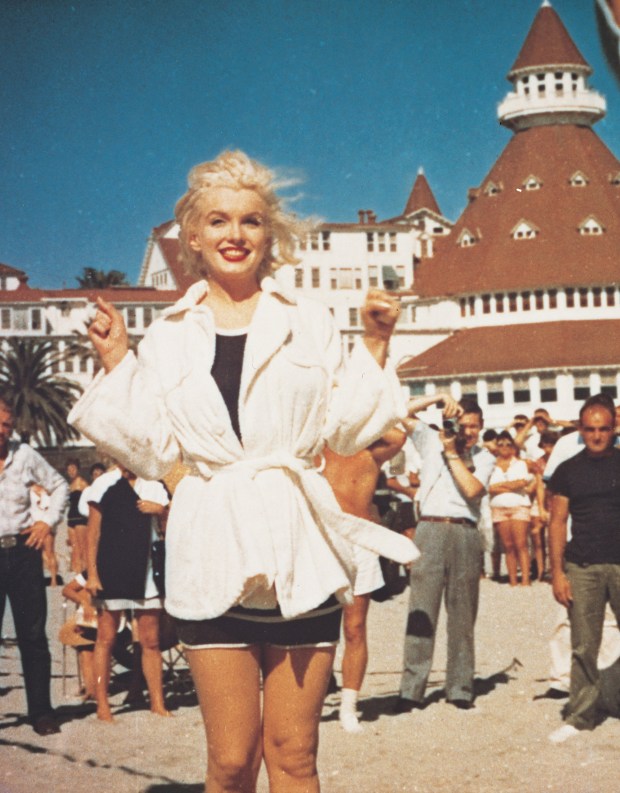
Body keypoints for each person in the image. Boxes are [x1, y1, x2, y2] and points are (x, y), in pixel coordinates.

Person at [68, 150, 415, 792]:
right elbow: (152, 449)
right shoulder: (169, 334)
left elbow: (345, 429)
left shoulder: (307, 320)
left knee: (294, 755)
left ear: (268, 234)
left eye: (251, 221)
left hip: (299, 552)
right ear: (193, 237)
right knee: (230, 760)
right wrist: (118, 362)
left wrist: (374, 342)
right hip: (213, 550)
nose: (235, 234)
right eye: (219, 220)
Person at [395, 394, 496, 712]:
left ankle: (460, 687)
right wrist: (439, 398)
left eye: (474, 426)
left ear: (481, 427)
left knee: (463, 613)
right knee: (421, 611)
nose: (467, 432)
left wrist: (452, 453)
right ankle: (411, 689)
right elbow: (399, 410)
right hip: (430, 527)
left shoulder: (484, 457)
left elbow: (472, 490)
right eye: (461, 425)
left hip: (465, 530)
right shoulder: (430, 440)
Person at [321, 427, 411, 733]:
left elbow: (398, 436)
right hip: (321, 542)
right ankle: (312, 698)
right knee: (314, 629)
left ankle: (349, 707)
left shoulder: (370, 451)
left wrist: (362, 411)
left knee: (355, 627)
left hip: (359, 542)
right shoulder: (315, 447)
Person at [547, 394, 620, 743]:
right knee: (583, 645)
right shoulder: (568, 470)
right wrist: (557, 573)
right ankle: (580, 716)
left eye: (603, 429)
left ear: (614, 429)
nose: (597, 436)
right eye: (590, 429)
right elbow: (557, 522)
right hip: (583, 566)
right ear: (580, 429)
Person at [0, 395, 69, 735]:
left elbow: (59, 486)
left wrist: (46, 523)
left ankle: (41, 712)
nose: (1, 431)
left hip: (23, 552)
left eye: (6, 425)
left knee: (32, 635)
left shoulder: (24, 455)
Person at [83, 464, 170, 721]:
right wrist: (93, 574)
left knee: (151, 640)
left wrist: (161, 510)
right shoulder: (104, 484)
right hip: (112, 569)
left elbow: (172, 526)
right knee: (106, 637)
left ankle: (157, 702)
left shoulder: (154, 483)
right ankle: (103, 706)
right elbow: (92, 533)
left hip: (147, 571)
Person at [488, 431, 536, 587]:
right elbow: (490, 488)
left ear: (513, 447)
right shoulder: (491, 465)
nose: (504, 447)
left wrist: (501, 486)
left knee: (521, 544)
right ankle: (513, 580)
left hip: (518, 506)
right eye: (500, 444)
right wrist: (510, 486)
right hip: (499, 508)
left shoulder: (521, 464)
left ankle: (525, 580)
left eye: (508, 444)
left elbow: (521, 483)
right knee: (508, 546)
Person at [65, 458, 89, 573]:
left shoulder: (82, 482)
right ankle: (78, 575)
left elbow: (91, 498)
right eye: (69, 470)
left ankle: (86, 574)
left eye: (73, 469)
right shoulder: (70, 485)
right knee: (74, 549)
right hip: (71, 518)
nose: (71, 472)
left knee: (83, 548)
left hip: (80, 518)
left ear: (78, 469)